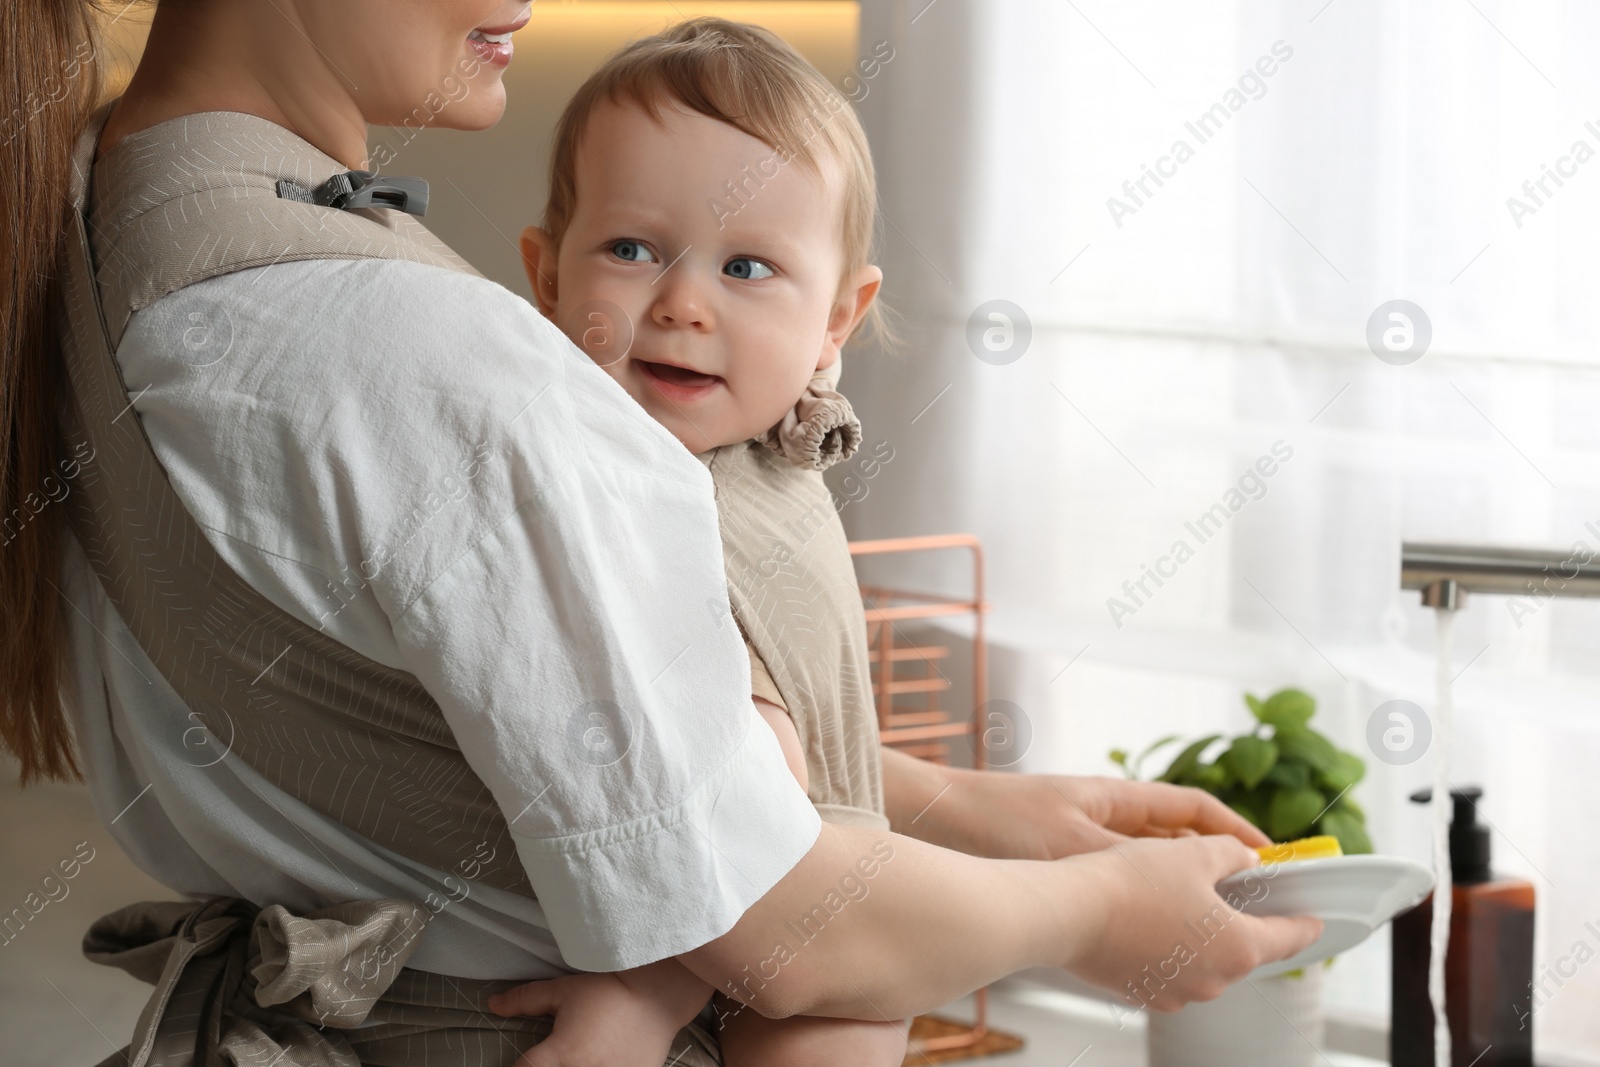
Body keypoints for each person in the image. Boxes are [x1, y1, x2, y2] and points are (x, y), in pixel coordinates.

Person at [0, 3, 1322, 1065]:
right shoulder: (444, 369)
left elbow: (590, 734)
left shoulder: (98, 214)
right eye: (634, 250)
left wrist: (982, 809)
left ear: (839, 315)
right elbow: (780, 936)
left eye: (751, 268)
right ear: (548, 256)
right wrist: (1101, 916)